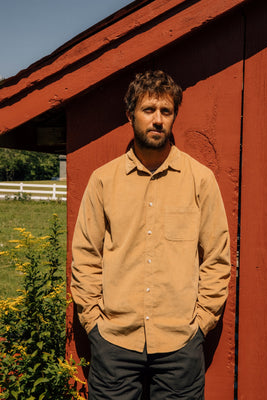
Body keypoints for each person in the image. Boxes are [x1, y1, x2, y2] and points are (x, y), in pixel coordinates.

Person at [71, 70, 231, 400]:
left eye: (166, 111)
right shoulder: (104, 181)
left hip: (180, 344)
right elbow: (85, 257)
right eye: (148, 110)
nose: (157, 120)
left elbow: (217, 258)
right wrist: (94, 325)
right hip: (114, 343)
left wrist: (200, 324)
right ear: (130, 115)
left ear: (173, 117)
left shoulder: (200, 181)